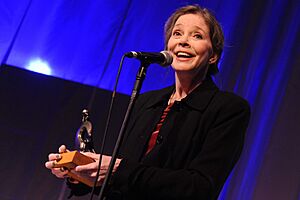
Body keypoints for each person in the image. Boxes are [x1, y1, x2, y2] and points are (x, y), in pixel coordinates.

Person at [45, 4, 250, 200]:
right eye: (177, 33)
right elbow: (119, 181)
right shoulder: (147, 102)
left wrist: (118, 168)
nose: (183, 41)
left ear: (213, 55)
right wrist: (79, 171)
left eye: (197, 36)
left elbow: (200, 188)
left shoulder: (228, 109)